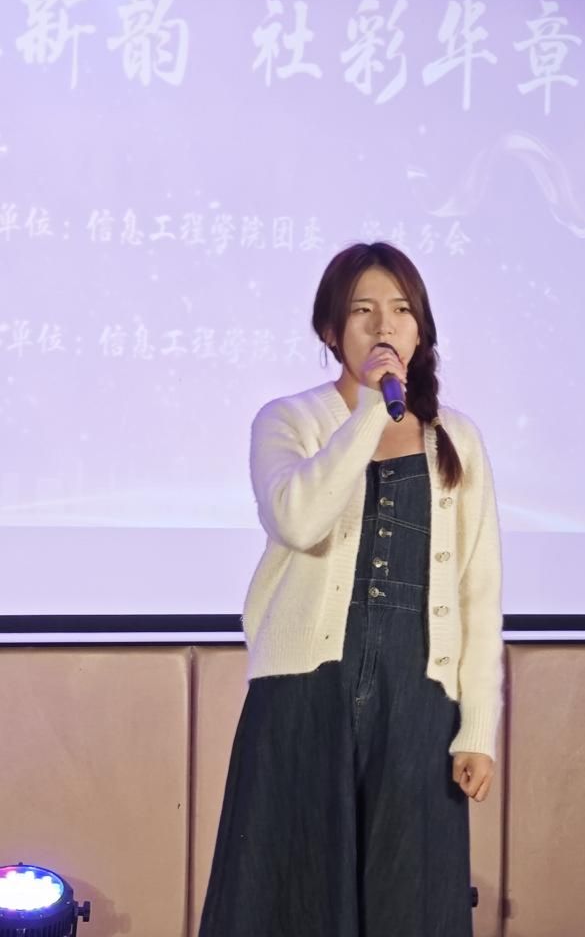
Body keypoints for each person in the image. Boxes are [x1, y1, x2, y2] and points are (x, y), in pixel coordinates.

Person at [200, 241, 502, 937]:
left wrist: (477, 728)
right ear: (331, 331)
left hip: (417, 693)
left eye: (401, 310)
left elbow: (479, 591)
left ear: (420, 329)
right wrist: (372, 409)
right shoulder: (288, 420)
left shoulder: (458, 439)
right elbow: (298, 518)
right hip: (304, 690)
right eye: (363, 311)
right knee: (291, 891)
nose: (384, 325)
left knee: (409, 899)